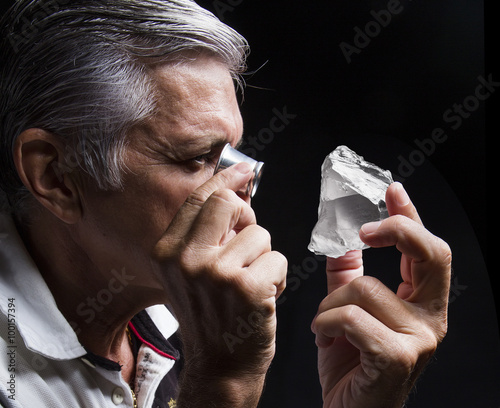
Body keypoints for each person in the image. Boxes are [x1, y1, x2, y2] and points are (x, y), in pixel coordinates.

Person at [0, 1, 451, 407]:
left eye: (234, 154)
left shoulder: (176, 317)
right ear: (56, 176)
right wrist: (224, 383)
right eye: (198, 157)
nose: (242, 189)